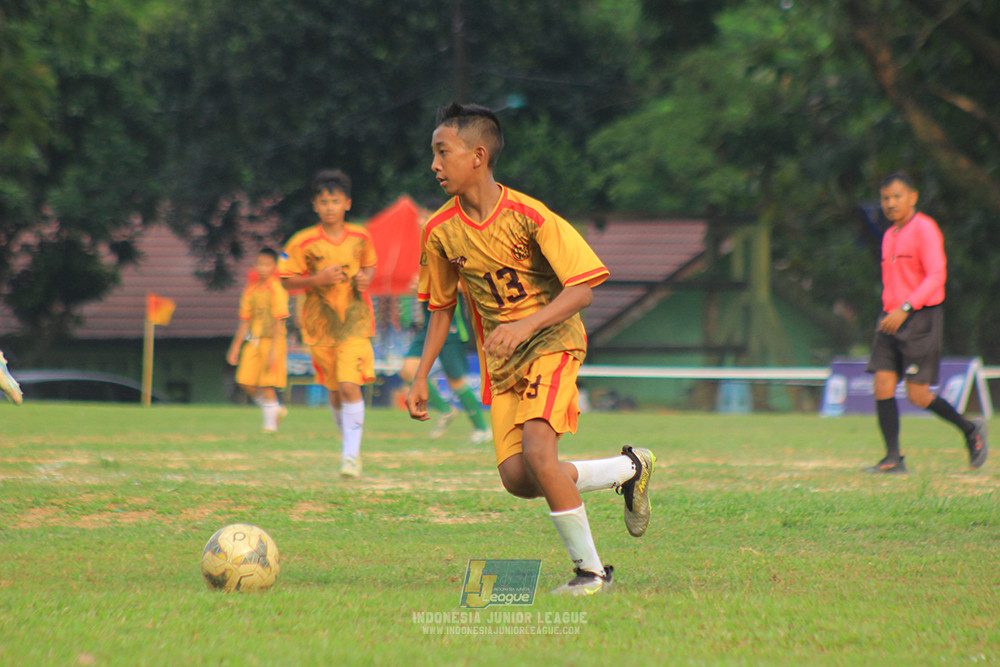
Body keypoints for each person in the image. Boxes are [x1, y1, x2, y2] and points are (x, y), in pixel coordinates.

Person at [406, 103, 655, 596]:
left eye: (442, 152)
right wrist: (420, 376)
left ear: (478, 155)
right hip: (503, 363)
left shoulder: (529, 215)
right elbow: (440, 308)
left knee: (541, 453)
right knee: (520, 478)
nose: (433, 164)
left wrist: (525, 326)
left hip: (552, 344)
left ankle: (590, 574)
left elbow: (582, 288)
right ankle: (631, 468)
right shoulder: (438, 231)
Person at [864, 171, 988, 474]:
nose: (890, 203)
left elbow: (936, 277)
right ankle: (893, 458)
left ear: (912, 197)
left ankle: (970, 429)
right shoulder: (889, 236)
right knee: (882, 383)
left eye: (896, 196)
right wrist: (891, 310)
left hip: (918, 318)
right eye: (885, 198)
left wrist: (906, 308)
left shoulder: (925, 229)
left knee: (917, 395)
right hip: (890, 317)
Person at [280, 169, 377, 478]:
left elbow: (371, 267)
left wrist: (365, 279)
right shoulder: (302, 242)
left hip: (355, 323)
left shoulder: (361, 236)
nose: (330, 207)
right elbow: (285, 281)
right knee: (335, 392)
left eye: (336, 201)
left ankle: (351, 456)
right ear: (315, 206)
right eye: (324, 201)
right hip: (320, 327)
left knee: (350, 385)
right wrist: (316, 279)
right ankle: (348, 443)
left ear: (347, 203)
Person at [399, 283, 491, 445]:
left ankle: (482, 428)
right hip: (428, 328)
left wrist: (434, 286)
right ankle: (445, 410)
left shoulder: (454, 259)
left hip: (450, 327)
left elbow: (469, 285)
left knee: (456, 380)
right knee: (408, 371)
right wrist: (418, 287)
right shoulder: (427, 261)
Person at [226, 248, 290, 433]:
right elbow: (245, 320)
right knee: (244, 381)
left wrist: (273, 351)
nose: (262, 268)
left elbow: (280, 321)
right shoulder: (251, 289)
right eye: (259, 264)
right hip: (254, 340)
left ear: (274, 266)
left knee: (267, 383)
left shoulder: (277, 289)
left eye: (267, 264)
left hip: (273, 341)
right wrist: (235, 348)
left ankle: (270, 425)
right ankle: (274, 410)